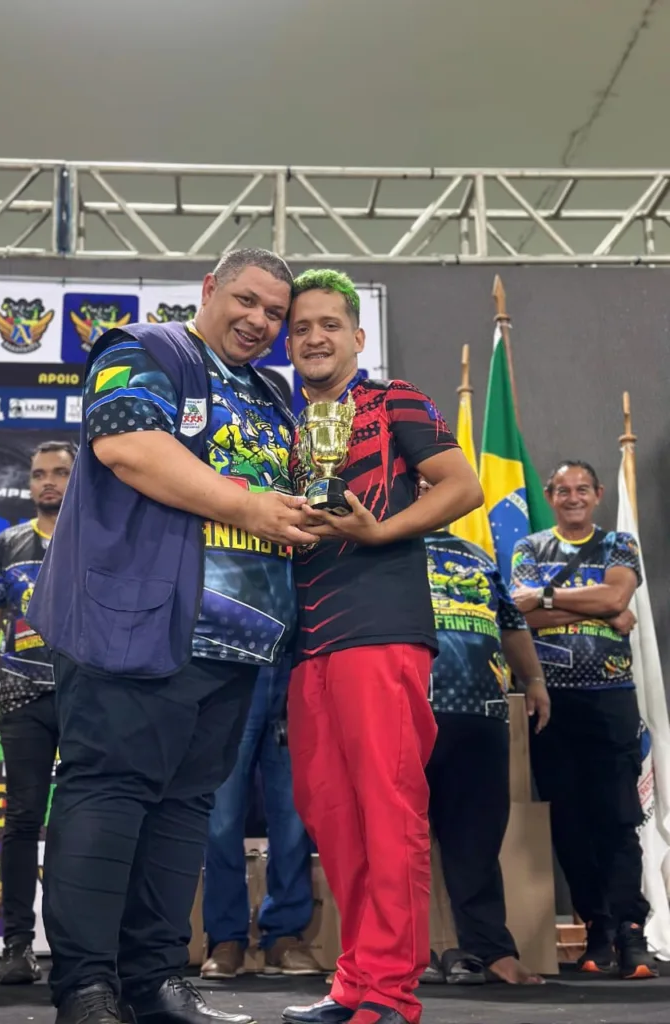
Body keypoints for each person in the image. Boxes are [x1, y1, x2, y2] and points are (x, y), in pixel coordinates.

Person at [27, 249, 319, 1024]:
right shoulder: (146, 348)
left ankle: (154, 981)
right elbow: (128, 446)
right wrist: (250, 507)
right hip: (139, 624)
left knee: (185, 809)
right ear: (209, 289)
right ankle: (86, 987)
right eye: (246, 301)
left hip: (238, 644)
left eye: (275, 313)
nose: (260, 321)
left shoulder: (271, 392)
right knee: (109, 793)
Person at [281, 269, 483, 1024]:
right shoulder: (285, 425)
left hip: (382, 629)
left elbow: (462, 486)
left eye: (329, 324)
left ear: (358, 337)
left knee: (387, 811)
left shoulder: (394, 398)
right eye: (302, 328)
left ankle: (393, 991)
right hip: (308, 642)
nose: (315, 338)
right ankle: (354, 980)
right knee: (331, 816)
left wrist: (381, 531)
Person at [510, 459, 657, 980]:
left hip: (611, 701)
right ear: (550, 496)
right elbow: (522, 615)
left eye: (582, 489)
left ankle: (630, 931)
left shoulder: (619, 544)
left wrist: (550, 597)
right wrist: (600, 610)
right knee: (569, 822)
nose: (572, 498)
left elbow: (616, 594)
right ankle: (597, 927)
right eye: (562, 490)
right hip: (550, 703)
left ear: (597, 494)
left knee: (617, 819)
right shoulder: (530, 548)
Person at [418, 495, 550, 986]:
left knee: (477, 839)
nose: (433, 493)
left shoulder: (477, 556)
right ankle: (403, 954)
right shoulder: (384, 547)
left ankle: (489, 949)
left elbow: (512, 625)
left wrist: (534, 680)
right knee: (396, 839)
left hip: (484, 712)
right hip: (410, 711)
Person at [0, 440, 74, 984]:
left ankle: (77, 950)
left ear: (78, 478)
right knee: (24, 819)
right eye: (38, 474)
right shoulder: (6, 544)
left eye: (60, 473)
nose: (47, 481)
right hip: (22, 697)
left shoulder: (97, 537)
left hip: (85, 696)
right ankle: (17, 946)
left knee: (81, 823)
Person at [200, 659, 321, 979]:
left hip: (294, 663)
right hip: (233, 661)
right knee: (222, 819)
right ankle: (226, 938)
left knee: (293, 817)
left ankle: (284, 933)